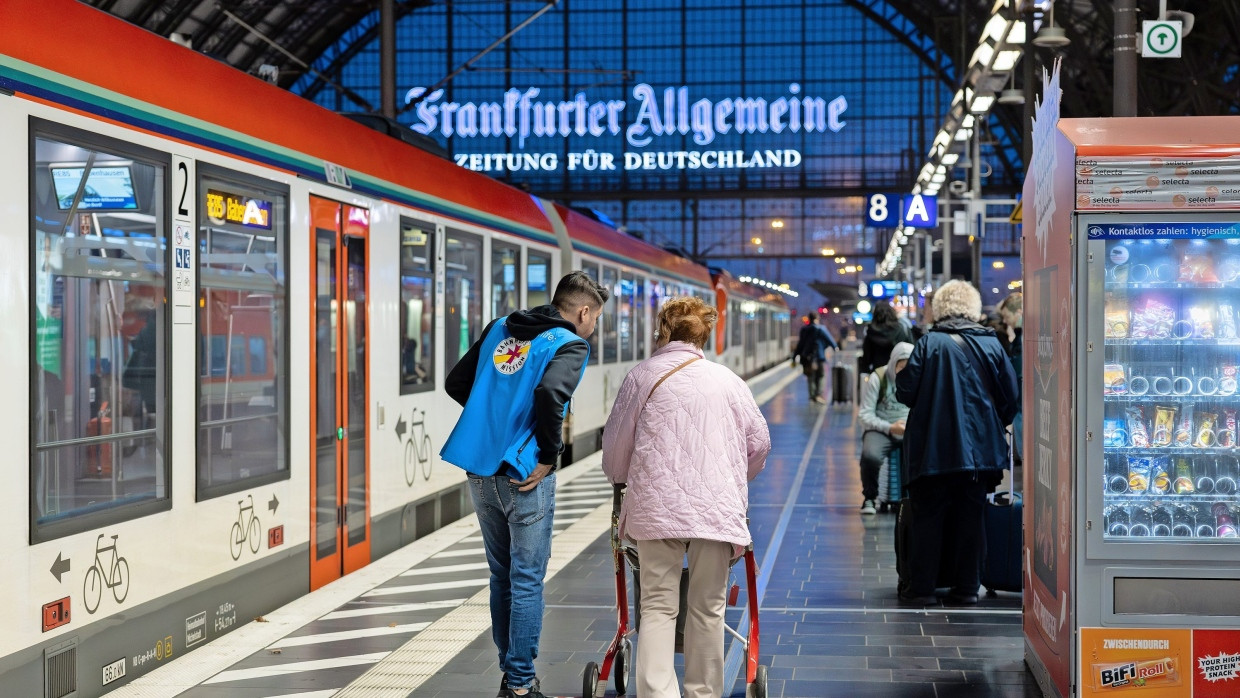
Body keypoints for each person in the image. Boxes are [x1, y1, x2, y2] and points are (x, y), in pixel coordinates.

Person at [440, 270, 609, 698]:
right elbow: (551, 393)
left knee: (502, 574)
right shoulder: (571, 344)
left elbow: (456, 383)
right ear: (583, 312)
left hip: (480, 469)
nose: (593, 327)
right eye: (595, 318)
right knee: (528, 578)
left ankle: (510, 674)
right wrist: (549, 455)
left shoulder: (500, 327)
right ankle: (519, 684)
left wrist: (493, 417)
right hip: (523, 474)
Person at [602, 297, 771, 698]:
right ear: (704, 334)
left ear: (663, 331)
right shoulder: (729, 380)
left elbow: (614, 451)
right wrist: (733, 479)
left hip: (655, 512)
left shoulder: (641, 376)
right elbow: (760, 444)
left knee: (658, 606)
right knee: (707, 609)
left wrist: (624, 477)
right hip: (717, 512)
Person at [894, 280, 1019, 606]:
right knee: (971, 518)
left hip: (932, 451)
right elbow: (1011, 397)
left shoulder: (928, 344)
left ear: (941, 308)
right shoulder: (992, 344)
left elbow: (905, 392)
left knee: (927, 519)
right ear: (973, 308)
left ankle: (922, 590)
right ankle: (966, 589)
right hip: (979, 454)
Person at [857, 341, 913, 515]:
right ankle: (870, 497)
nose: (904, 372)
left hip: (910, 430)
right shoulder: (878, 378)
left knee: (921, 456)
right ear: (893, 364)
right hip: (881, 428)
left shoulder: (919, 378)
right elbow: (864, 415)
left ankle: (911, 498)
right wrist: (890, 427)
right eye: (900, 367)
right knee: (870, 456)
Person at [996, 292, 1024, 464]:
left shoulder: (1022, 341)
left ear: (1019, 313)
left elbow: (1016, 372)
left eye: (1007, 317)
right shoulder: (1020, 338)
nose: (1005, 322)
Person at [790, 311, 839, 403]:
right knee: (821, 376)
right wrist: (835, 347)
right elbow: (831, 341)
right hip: (819, 357)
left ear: (809, 319)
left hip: (807, 358)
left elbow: (800, 344)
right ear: (817, 319)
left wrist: (794, 357)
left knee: (810, 376)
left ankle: (812, 396)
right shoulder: (821, 329)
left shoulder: (804, 330)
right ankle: (818, 395)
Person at [859, 301, 913, 375]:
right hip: (899, 374)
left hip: (878, 376)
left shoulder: (871, 333)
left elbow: (866, 360)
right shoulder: (902, 330)